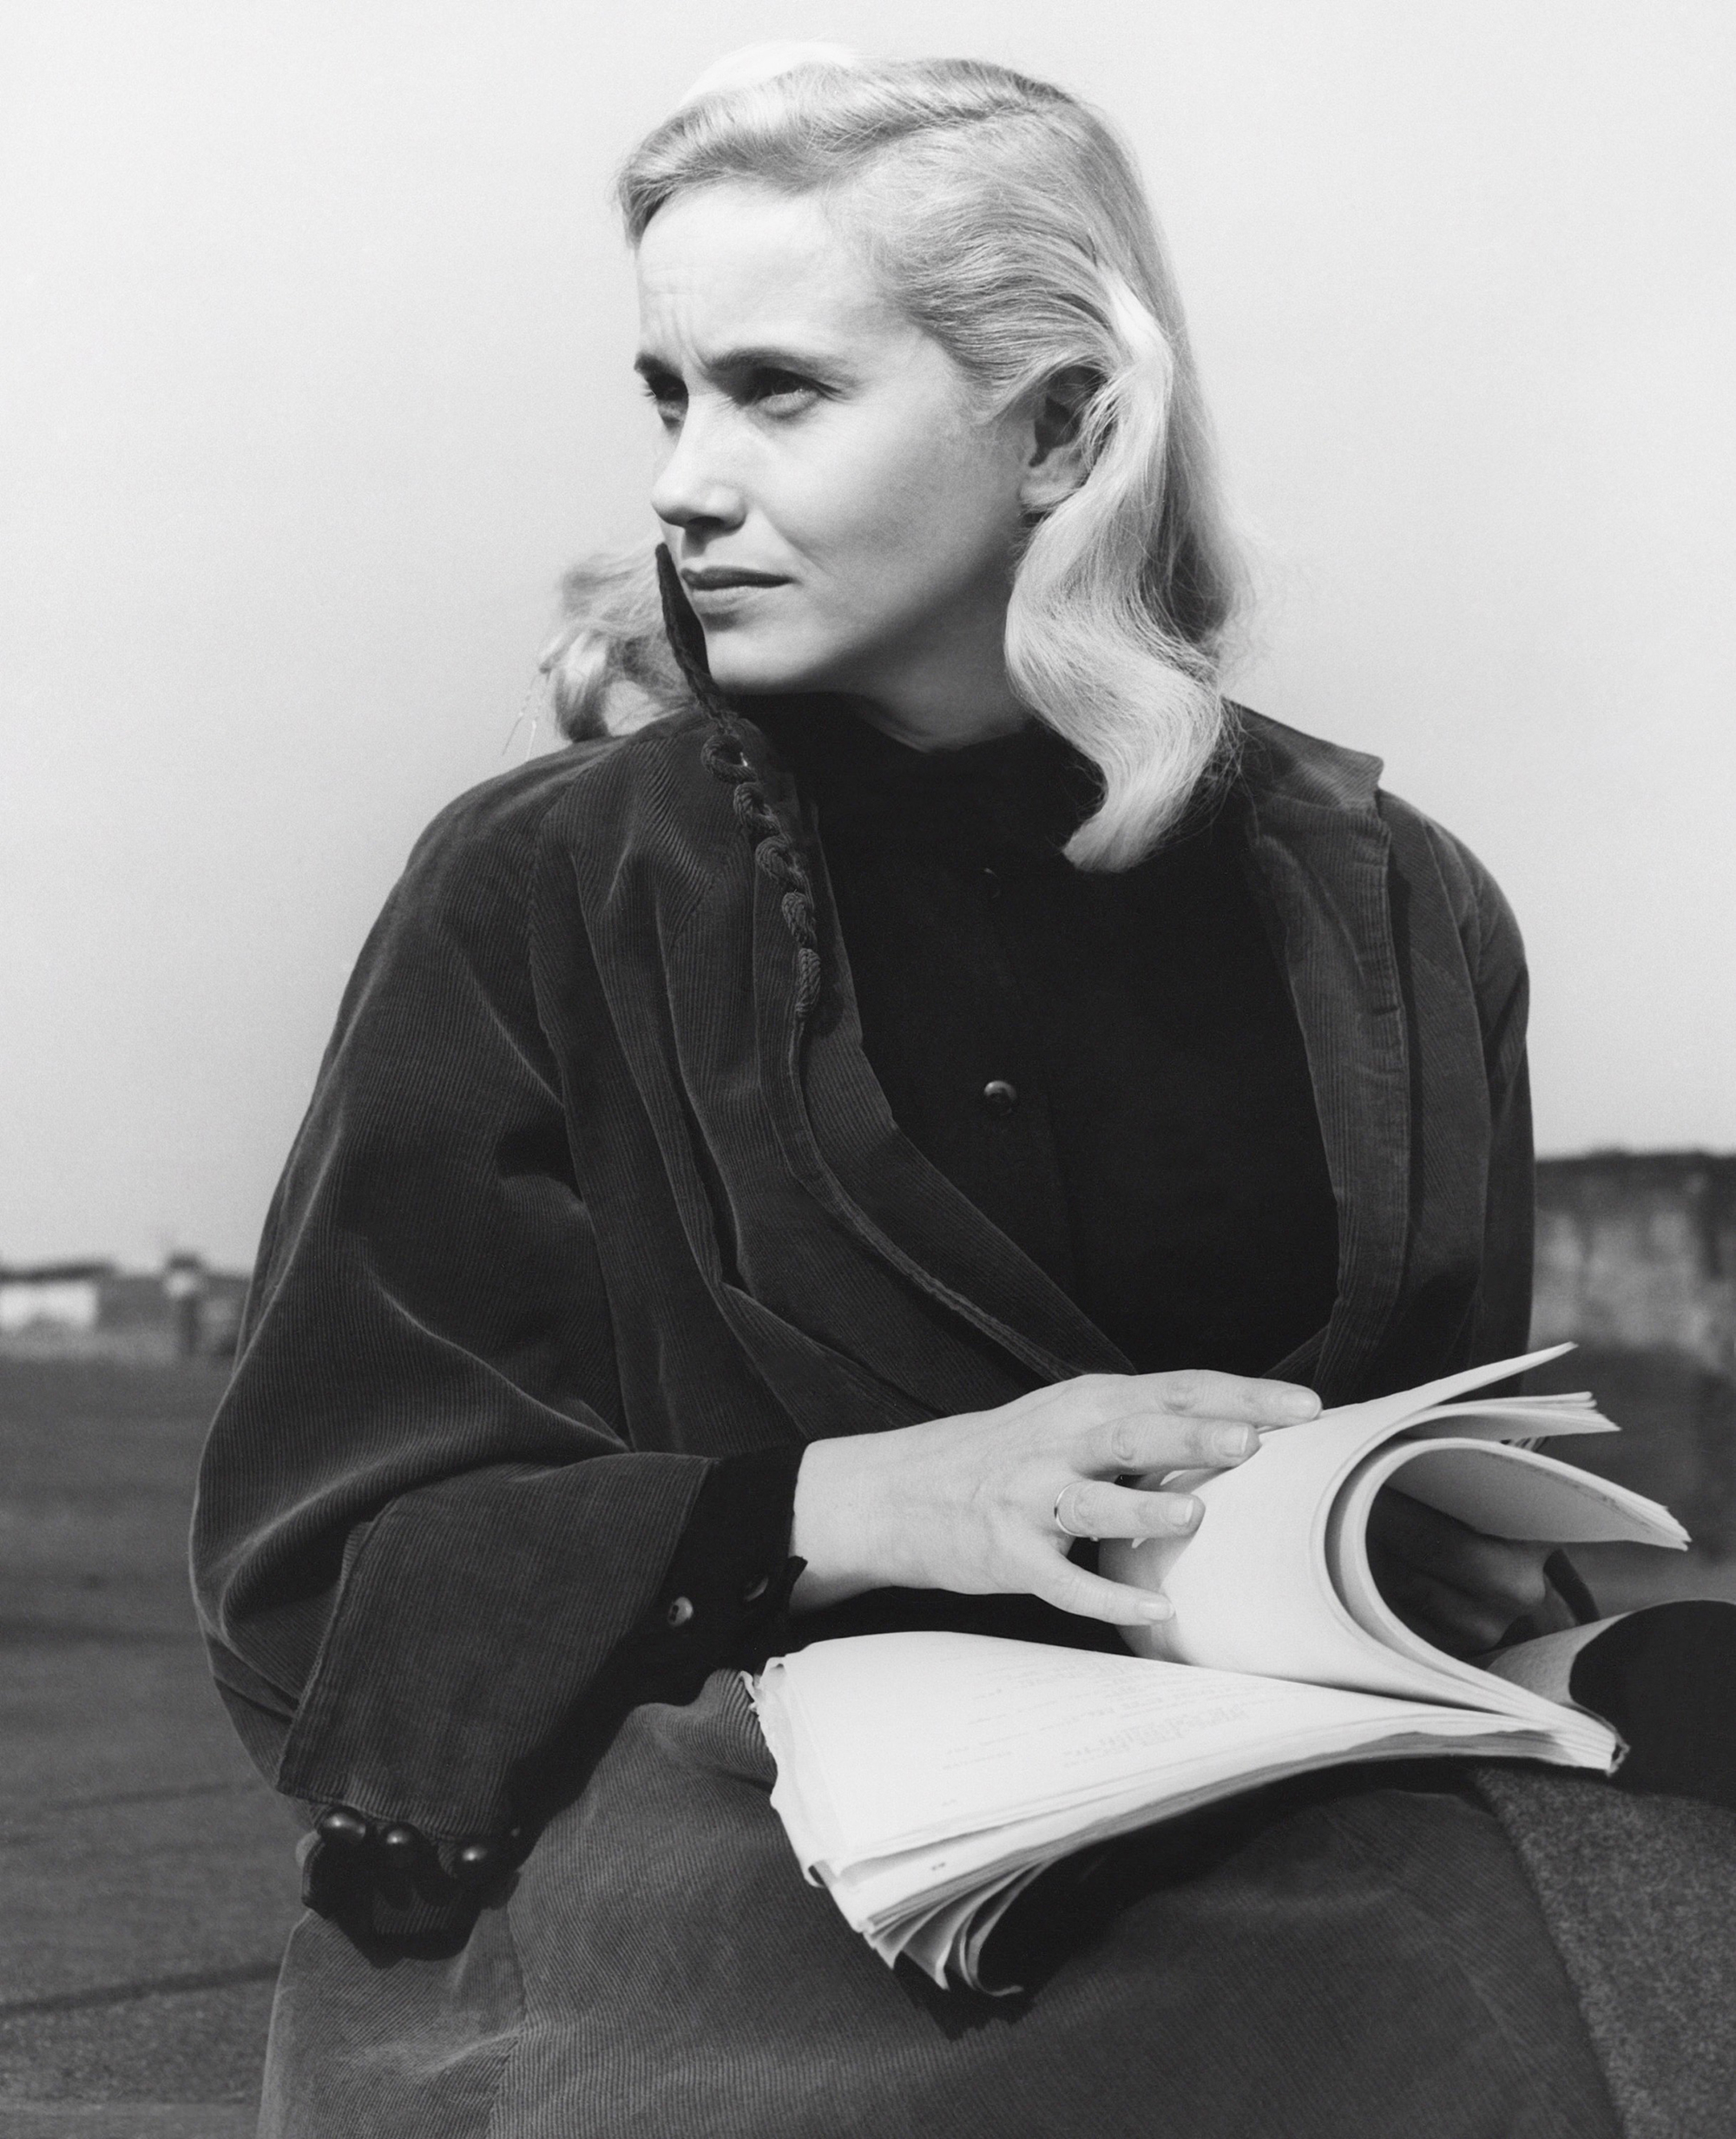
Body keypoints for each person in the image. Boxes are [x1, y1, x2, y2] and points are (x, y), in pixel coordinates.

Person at [192, 51, 1736, 2139]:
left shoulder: (1395, 906)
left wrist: (1422, 1575)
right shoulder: (546, 887)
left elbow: (1414, 1484)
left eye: (778, 390)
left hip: (1294, 1805)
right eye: (670, 393)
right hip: (745, 1883)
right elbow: (328, 1587)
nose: (681, 477)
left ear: (1068, 425)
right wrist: (862, 1499)